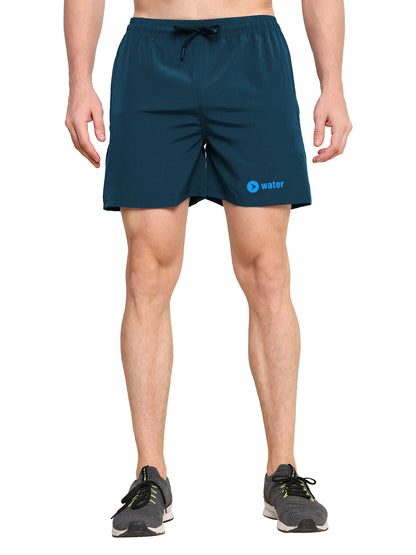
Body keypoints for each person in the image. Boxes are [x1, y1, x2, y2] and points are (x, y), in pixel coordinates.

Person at [64, 0, 352, 537]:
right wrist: (79, 81)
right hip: (151, 56)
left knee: (267, 269)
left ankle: (283, 472)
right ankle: (150, 475)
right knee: (146, 271)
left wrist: (331, 82)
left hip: (252, 56)